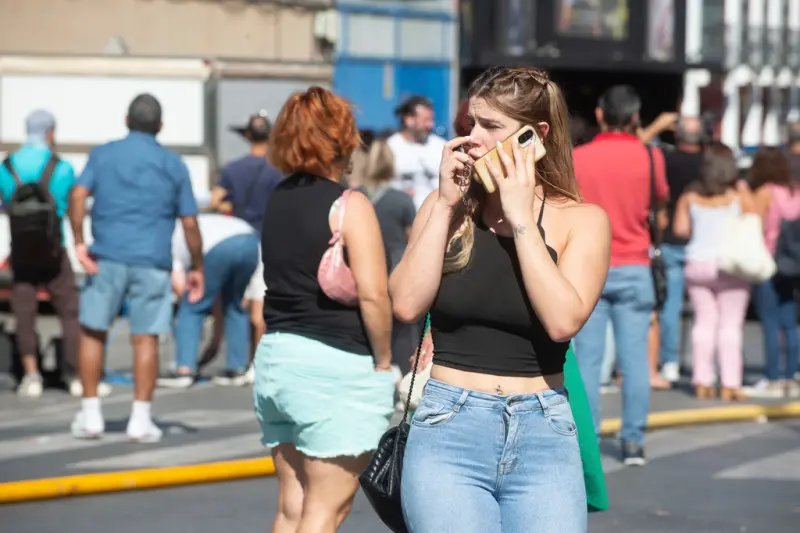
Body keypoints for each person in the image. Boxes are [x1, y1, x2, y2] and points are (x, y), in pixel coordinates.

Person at [391, 66, 611, 533]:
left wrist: (521, 220)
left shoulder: (582, 221)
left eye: (491, 126)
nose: (473, 139)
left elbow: (562, 322)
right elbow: (406, 304)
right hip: (448, 425)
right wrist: (447, 204)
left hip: (543, 429)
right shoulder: (444, 208)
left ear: (537, 135)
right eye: (471, 124)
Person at [253, 86, 395, 533]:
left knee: (292, 508)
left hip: (277, 359)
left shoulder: (276, 198)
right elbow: (374, 295)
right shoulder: (350, 205)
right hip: (332, 367)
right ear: (343, 139)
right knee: (325, 510)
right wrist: (385, 362)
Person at [68, 94, 204, 442]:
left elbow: (78, 196)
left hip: (107, 256)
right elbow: (189, 222)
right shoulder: (173, 164)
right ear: (160, 126)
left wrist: (79, 242)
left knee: (93, 332)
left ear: (126, 120)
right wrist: (197, 266)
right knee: (146, 338)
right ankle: (140, 420)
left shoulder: (103, 154)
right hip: (152, 261)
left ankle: (91, 415)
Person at [572, 85, 669, 467]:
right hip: (636, 265)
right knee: (635, 362)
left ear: (600, 115)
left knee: (587, 362)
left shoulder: (580, 157)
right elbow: (658, 201)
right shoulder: (650, 156)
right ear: (635, 117)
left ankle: (589, 438)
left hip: (590, 265)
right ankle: (633, 441)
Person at [0, 110, 82, 398]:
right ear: (50, 132)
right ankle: (72, 374)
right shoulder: (62, 167)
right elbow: (69, 208)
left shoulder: (6, 167)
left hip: (21, 252)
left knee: (24, 313)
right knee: (69, 311)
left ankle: (31, 375)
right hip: (53, 250)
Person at [673, 143, 754, 401]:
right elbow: (754, 218)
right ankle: (731, 383)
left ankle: (702, 381)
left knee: (703, 323)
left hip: (697, 263)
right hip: (730, 266)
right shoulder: (737, 194)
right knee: (730, 325)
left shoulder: (690, 196)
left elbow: (680, 230)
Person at [210, 111, 281, 361]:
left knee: (235, 303)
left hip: (239, 238)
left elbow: (215, 200)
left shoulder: (233, 168)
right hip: (267, 242)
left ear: (248, 136)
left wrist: (228, 207)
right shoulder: (278, 171)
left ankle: (237, 361)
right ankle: (258, 361)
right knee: (260, 307)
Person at [159, 212, 259, 388]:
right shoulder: (199, 222)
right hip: (251, 241)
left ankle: (185, 369)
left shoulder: (169, 236)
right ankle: (236, 368)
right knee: (235, 306)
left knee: (191, 306)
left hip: (218, 246)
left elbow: (180, 285)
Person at [747, 146, 800, 398]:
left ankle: (772, 377)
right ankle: (791, 375)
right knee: (789, 323)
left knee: (770, 323)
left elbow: (752, 225)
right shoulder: (795, 193)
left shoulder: (766, 193)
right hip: (792, 264)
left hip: (767, 262)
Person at [657, 116, 704, 384]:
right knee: (706, 309)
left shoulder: (668, 161)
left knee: (671, 306)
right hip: (703, 240)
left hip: (672, 237)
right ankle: (703, 365)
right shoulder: (707, 163)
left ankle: (670, 360)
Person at [366, 139, 418, 377]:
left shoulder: (358, 195)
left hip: (367, 267)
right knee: (402, 330)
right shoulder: (402, 199)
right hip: (396, 265)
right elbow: (413, 238)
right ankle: (405, 378)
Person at [387, 95, 446, 209]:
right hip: (404, 217)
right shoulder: (391, 147)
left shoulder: (441, 146)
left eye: (431, 120)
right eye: (425, 120)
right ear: (409, 120)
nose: (430, 125)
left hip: (435, 215)